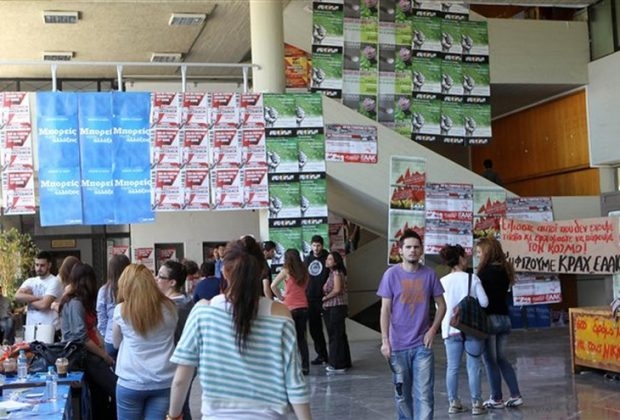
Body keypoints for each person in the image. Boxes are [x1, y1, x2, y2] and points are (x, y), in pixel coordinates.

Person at [168, 239, 311, 420]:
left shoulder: (202, 312)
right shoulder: (280, 315)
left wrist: (173, 416)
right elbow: (294, 382)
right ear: (261, 271)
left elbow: (181, 379)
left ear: (224, 271)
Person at [377, 229, 446, 420]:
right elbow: (385, 310)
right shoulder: (391, 275)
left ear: (421, 250)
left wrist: (433, 330)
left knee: (425, 395)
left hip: (422, 346)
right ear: (400, 250)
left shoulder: (429, 274)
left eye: (416, 247)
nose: (412, 250)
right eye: (408, 247)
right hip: (397, 346)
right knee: (402, 396)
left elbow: (442, 305)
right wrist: (385, 341)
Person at [113, 264, 178, 420]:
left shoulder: (121, 310)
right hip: (164, 380)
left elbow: (115, 343)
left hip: (131, 380)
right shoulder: (170, 308)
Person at [59, 262, 117, 420]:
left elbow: (92, 328)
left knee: (99, 396)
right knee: (116, 389)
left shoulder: (76, 301)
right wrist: (104, 355)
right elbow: (82, 338)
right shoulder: (76, 303)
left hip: (90, 354)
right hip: (87, 356)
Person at [438, 244, 488, 416]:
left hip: (450, 328)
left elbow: (439, 306)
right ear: (460, 258)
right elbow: (484, 303)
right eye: (465, 257)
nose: (467, 260)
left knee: (452, 367)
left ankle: (454, 403)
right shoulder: (472, 279)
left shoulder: (442, 281)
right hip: (471, 328)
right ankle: (477, 403)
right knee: (473, 366)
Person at [476, 237, 523, 409]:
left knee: (490, 360)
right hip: (505, 319)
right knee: (502, 358)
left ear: (487, 252)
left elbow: (482, 300)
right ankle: (515, 395)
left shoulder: (483, 273)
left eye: (479, 252)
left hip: (490, 319)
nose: (478, 256)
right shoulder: (505, 270)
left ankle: (496, 398)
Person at [156, 260, 194, 420]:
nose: (156, 279)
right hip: (183, 363)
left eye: (160, 276)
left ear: (172, 282)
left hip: (176, 364)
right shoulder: (187, 301)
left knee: (177, 407)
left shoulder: (175, 308)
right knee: (181, 405)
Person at [271, 248, 310, 375]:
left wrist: (281, 297)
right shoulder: (304, 271)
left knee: (289, 338)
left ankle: (292, 367)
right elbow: (305, 287)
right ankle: (305, 366)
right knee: (302, 338)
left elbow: (273, 285)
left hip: (290, 308)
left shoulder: (286, 271)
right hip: (303, 306)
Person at [14, 251, 63, 331]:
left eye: (42, 265)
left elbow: (44, 305)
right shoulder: (30, 281)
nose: (39, 268)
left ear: (49, 265)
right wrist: (39, 298)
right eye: (37, 265)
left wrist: (27, 299)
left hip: (49, 329)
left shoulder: (54, 281)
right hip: (31, 328)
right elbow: (17, 296)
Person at [322, 251, 352, 373]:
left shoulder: (336, 273)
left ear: (335, 262)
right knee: (339, 335)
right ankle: (344, 361)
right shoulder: (331, 273)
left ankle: (337, 364)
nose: (327, 261)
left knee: (335, 336)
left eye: (330, 259)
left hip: (336, 307)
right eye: (327, 259)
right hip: (334, 307)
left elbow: (337, 289)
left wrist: (325, 298)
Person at [97, 254, 130, 360]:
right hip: (129, 338)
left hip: (110, 339)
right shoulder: (131, 289)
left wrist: (105, 335)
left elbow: (101, 317)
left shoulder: (104, 290)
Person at [304, 235, 329, 365]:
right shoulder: (307, 259)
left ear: (322, 245)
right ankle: (321, 355)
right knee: (315, 329)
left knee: (331, 328)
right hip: (310, 298)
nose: (316, 248)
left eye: (318, 245)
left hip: (325, 298)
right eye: (314, 245)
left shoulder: (328, 258)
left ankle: (334, 355)